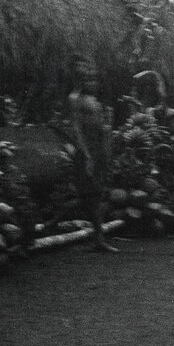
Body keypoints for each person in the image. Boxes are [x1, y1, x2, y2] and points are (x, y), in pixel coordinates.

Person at [68, 61, 118, 252]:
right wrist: (86, 154)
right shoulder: (75, 99)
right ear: (80, 80)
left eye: (95, 79)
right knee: (90, 194)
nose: (92, 82)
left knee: (95, 194)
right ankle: (99, 238)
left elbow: (102, 129)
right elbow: (76, 128)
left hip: (99, 150)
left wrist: (106, 148)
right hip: (86, 150)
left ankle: (98, 238)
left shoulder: (95, 100)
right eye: (88, 79)